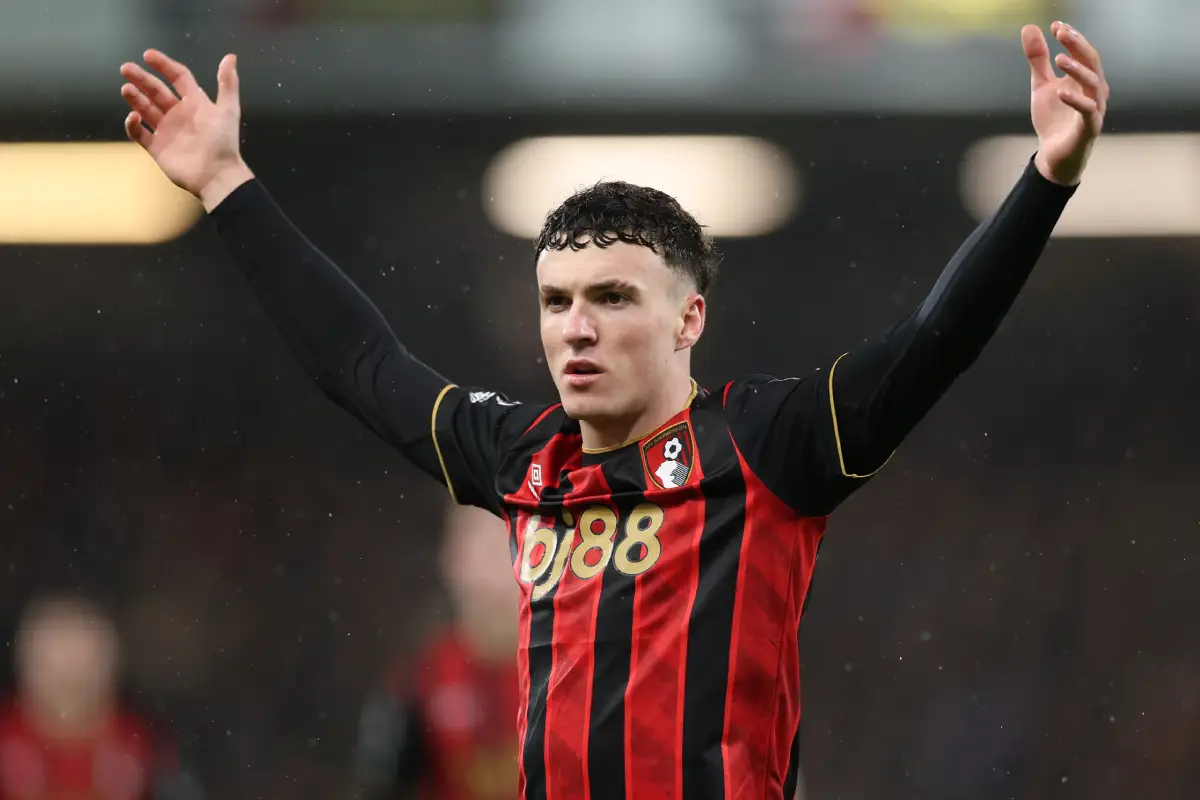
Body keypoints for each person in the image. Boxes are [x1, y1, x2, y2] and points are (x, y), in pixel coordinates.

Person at [115, 20, 1108, 800]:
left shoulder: (767, 446)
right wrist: (226, 183)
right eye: (557, 301)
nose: (576, 328)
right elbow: (360, 361)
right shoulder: (519, 456)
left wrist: (1046, 179)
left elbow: (936, 341)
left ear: (689, 318)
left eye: (613, 297)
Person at [354, 505, 519, 800]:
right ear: (451, 558)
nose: (494, 559)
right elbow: (383, 785)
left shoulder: (578, 675)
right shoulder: (417, 682)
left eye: (507, 539)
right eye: (479, 542)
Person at [0, 595, 202, 800]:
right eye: (53, 666)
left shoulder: (148, 745)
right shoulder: (6, 740)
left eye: (83, 665)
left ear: (112, 665)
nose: (68, 680)